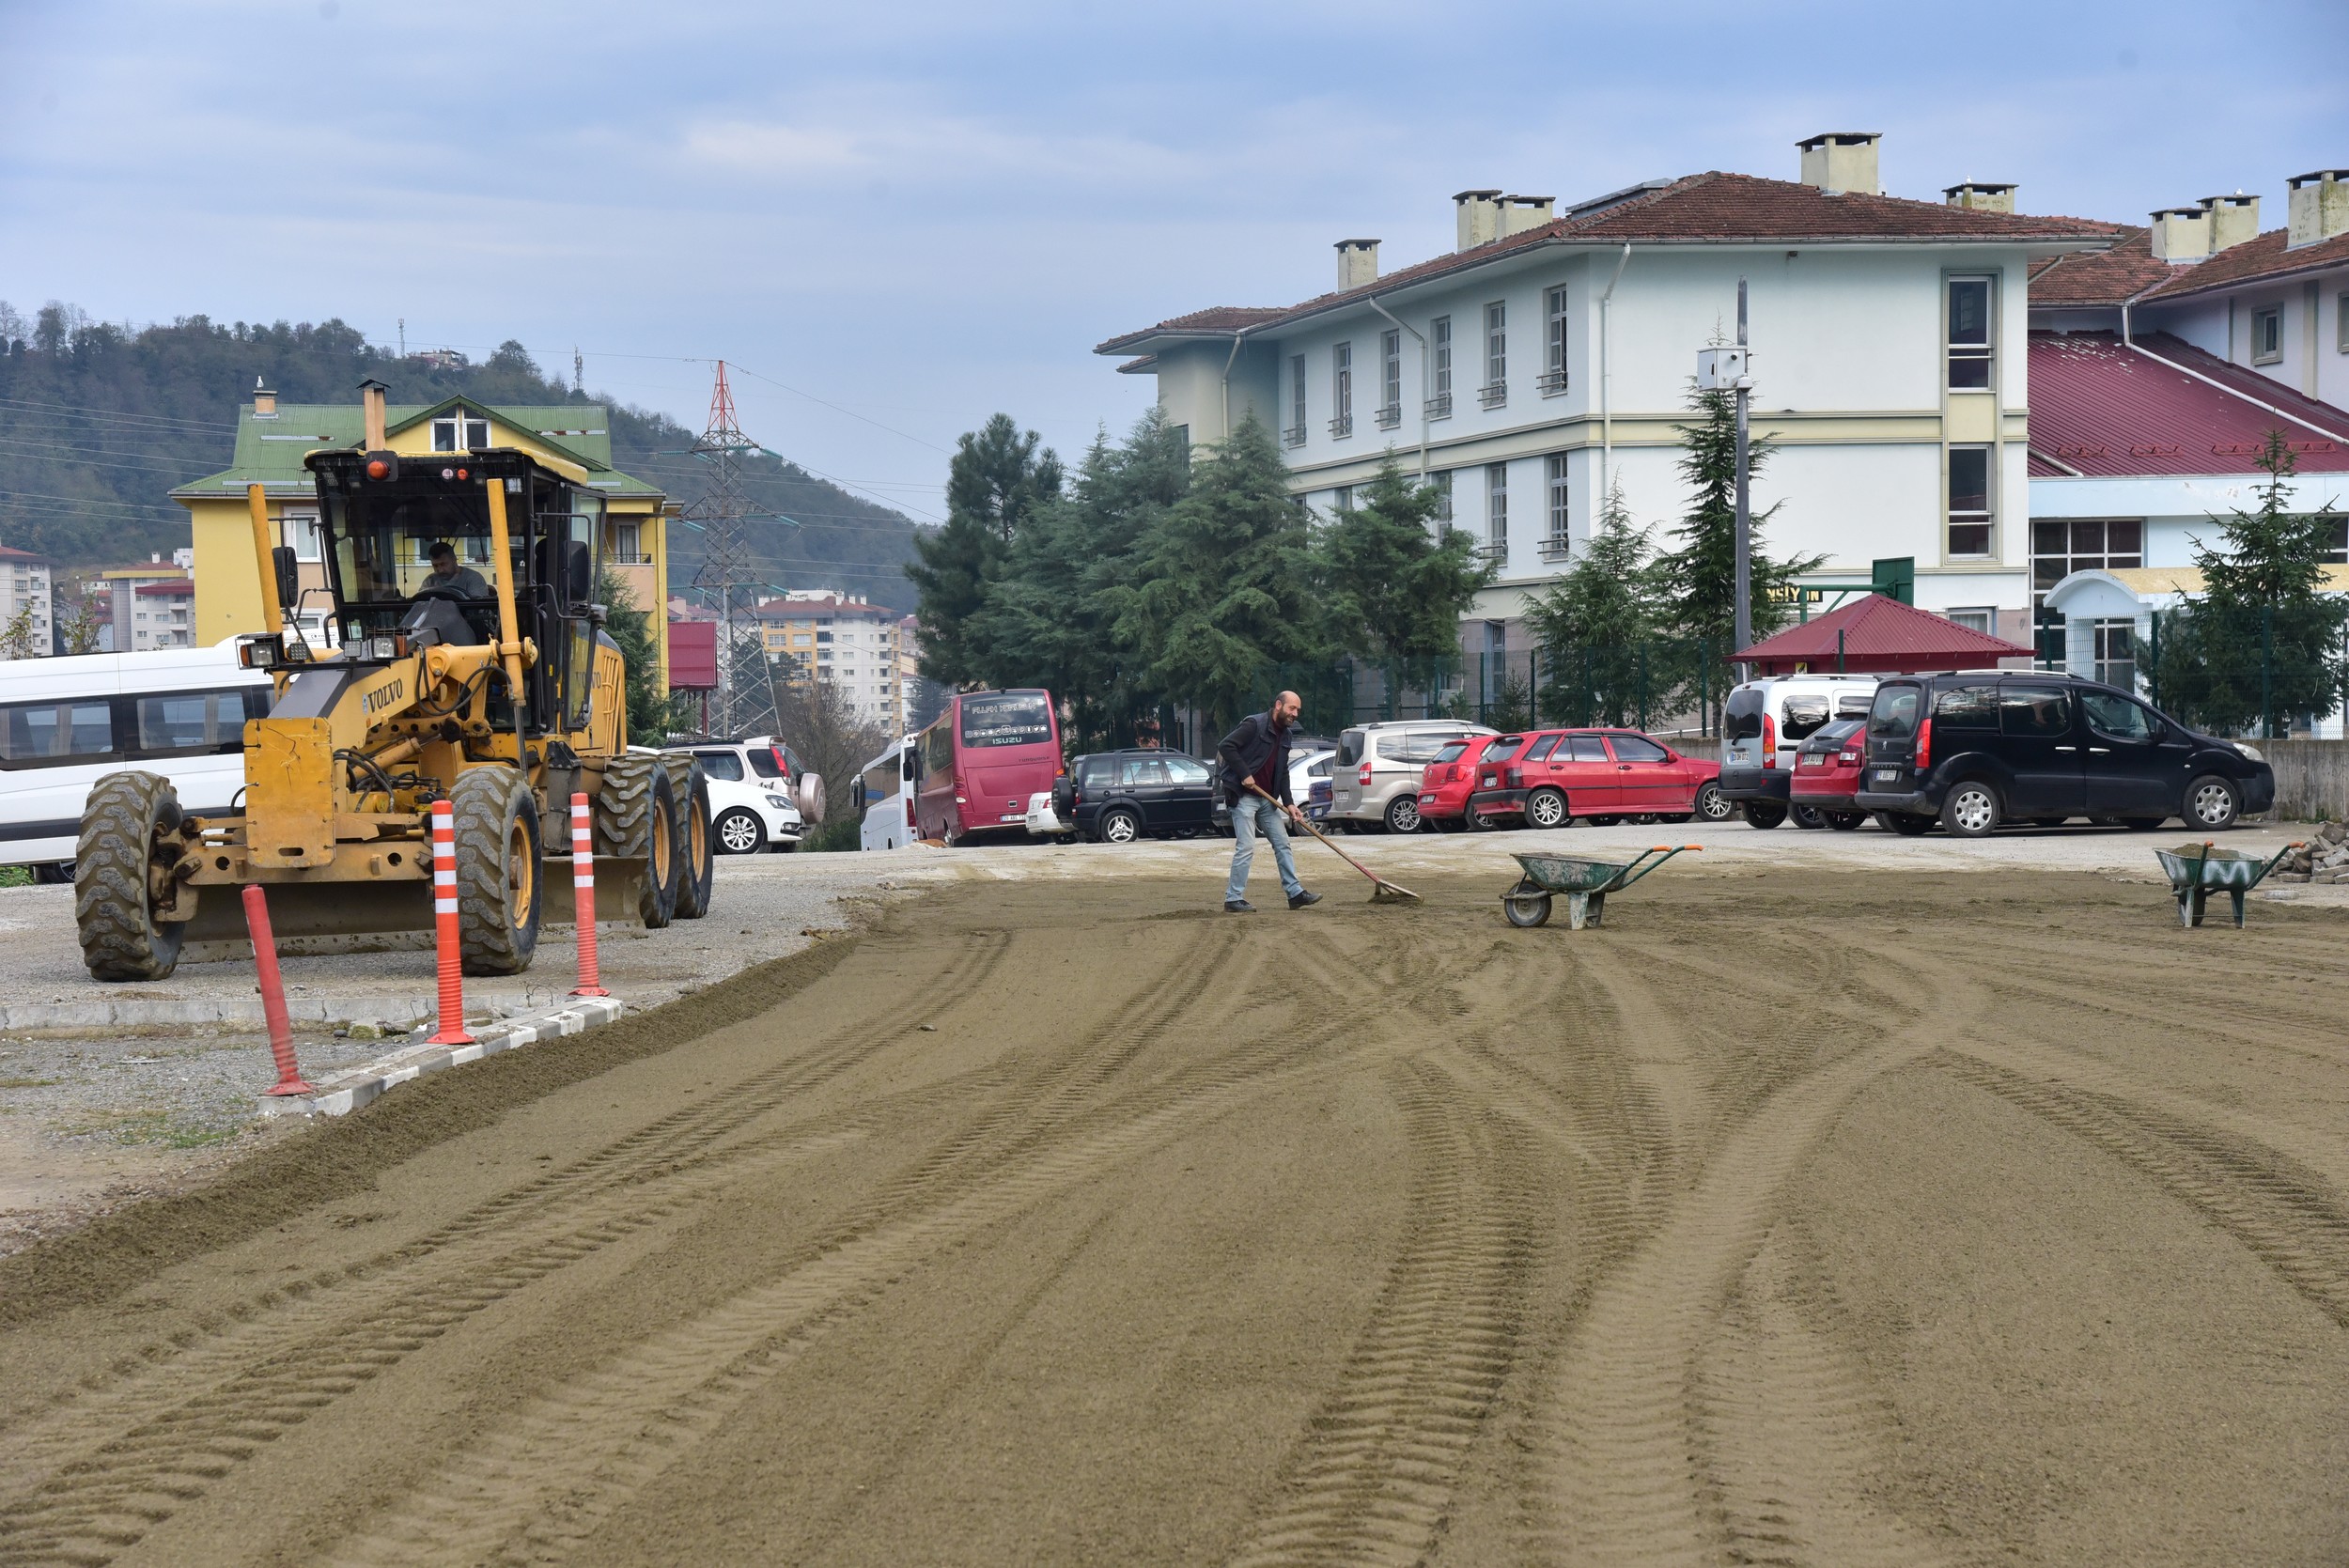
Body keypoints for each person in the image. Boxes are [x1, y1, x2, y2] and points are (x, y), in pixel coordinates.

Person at [1216, 691, 1319, 913]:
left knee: (1283, 843)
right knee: (1246, 846)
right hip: (1243, 796)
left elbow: (1282, 772)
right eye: (1292, 708)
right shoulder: (1254, 725)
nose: (1295, 714)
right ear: (1278, 705)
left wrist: (1290, 803)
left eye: (1298, 710)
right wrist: (1244, 773)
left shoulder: (1287, 735)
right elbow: (1226, 746)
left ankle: (1295, 894)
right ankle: (1233, 899)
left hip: (1266, 799)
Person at [422, 540, 491, 598]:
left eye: (443, 564)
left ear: (454, 559)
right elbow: (420, 602)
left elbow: (478, 609)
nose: (440, 570)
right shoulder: (430, 581)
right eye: (435, 566)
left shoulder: (473, 578)